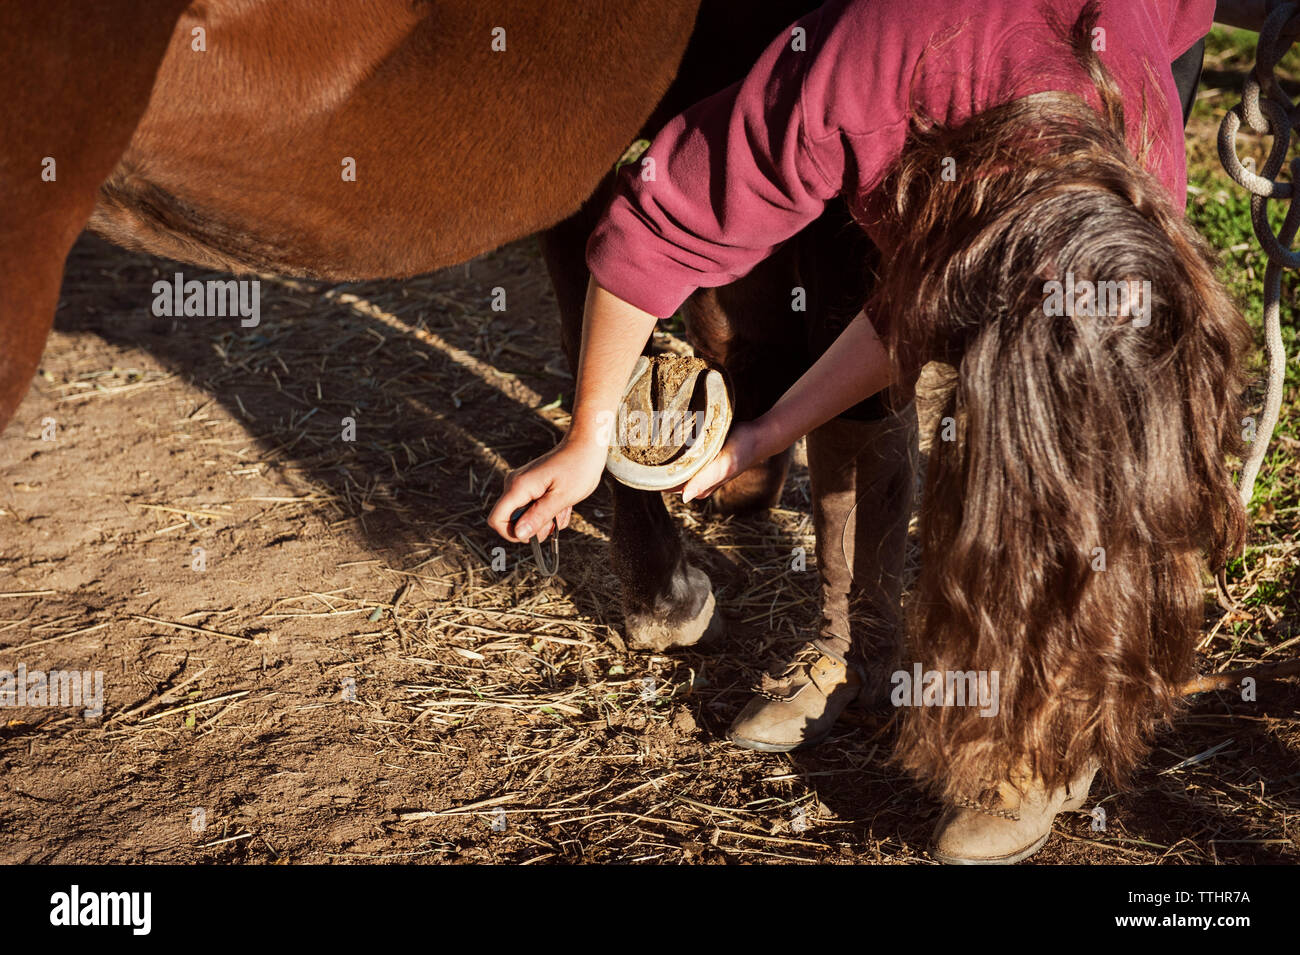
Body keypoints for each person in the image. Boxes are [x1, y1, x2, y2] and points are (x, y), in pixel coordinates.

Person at [489, 0, 1253, 863]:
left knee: (1098, 483)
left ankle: (1051, 721)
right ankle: (860, 645)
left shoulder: (1136, 158)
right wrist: (592, 433)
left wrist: (771, 424)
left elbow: (934, 299)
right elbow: (667, 223)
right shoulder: (858, 72)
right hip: (933, 92)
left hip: (1118, 74)